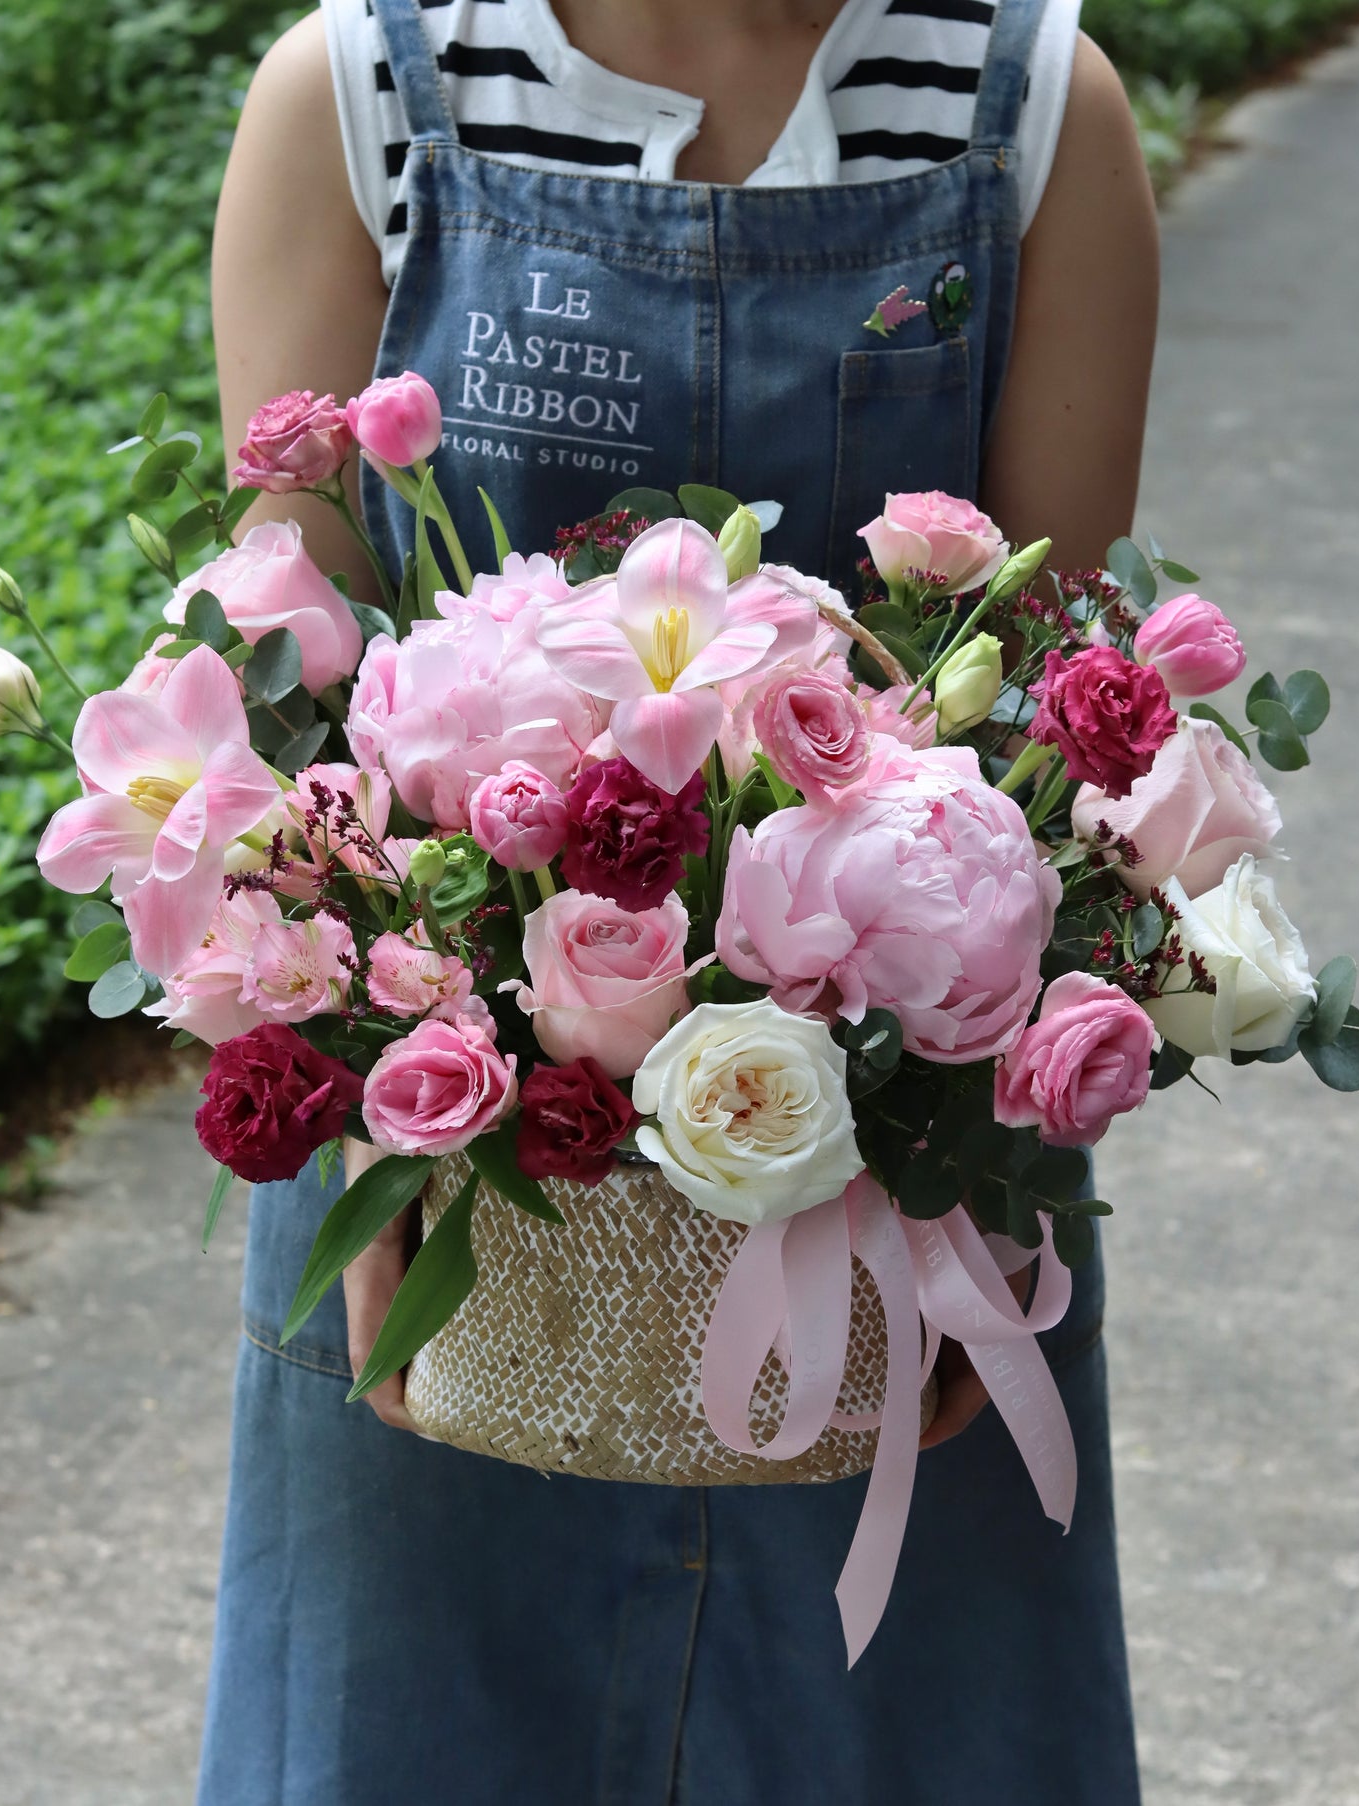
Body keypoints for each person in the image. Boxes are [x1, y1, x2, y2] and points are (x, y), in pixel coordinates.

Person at [198, 1, 1157, 1800]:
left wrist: (978, 1192)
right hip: (456, 1179)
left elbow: (1052, 729)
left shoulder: (1029, 107)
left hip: (901, 1192)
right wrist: (364, 1150)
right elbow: (281, 719)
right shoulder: (358, 92)